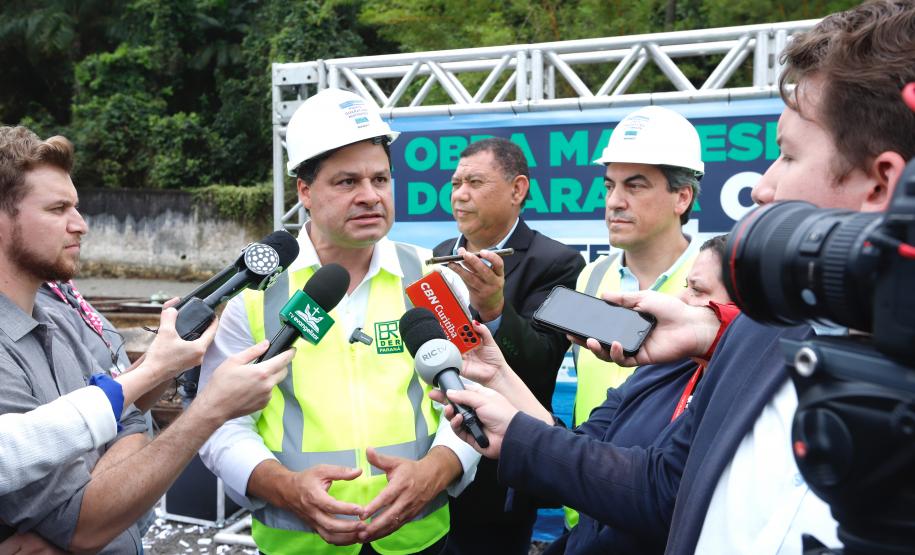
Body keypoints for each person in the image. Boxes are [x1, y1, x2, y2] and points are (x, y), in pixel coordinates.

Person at [433, 2, 915, 553]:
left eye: (786, 155)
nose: (763, 187)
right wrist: (510, 407)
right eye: (610, 185)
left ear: (882, 185)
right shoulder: (754, 329)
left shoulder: (736, 304)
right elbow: (661, 485)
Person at [197, 88, 480, 554]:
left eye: (381, 179)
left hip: (418, 539)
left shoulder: (435, 281)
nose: (370, 196)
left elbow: (475, 396)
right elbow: (219, 423)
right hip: (298, 541)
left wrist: (439, 468)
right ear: (305, 191)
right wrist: (283, 486)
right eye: (347, 182)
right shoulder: (257, 294)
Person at [0, 125, 293, 554]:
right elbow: (81, 523)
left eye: (75, 207)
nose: (80, 225)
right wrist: (208, 411)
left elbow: (130, 408)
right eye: (58, 208)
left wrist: (158, 371)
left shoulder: (66, 316)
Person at [434, 234, 736, 554]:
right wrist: (499, 375)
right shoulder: (657, 372)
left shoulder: (743, 399)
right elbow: (576, 450)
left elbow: (655, 492)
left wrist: (515, 433)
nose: (682, 299)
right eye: (685, 285)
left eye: (698, 290)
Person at [431, 137, 584, 554]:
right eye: (455, 182)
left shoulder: (557, 262)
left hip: (498, 471)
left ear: (517, 189)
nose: (460, 194)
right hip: (430, 458)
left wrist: (495, 310)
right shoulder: (441, 254)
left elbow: (542, 360)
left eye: (475, 182)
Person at [564, 103, 703, 528]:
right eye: (609, 186)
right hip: (584, 506)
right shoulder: (591, 277)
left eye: (635, 186)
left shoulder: (709, 284)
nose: (614, 202)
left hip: (665, 516)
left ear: (682, 196)